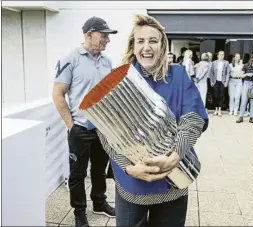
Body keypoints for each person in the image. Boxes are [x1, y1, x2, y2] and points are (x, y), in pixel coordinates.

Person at [96, 14, 209, 227]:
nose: (146, 47)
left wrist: (175, 154)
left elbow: (193, 119)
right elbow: (105, 132)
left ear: (162, 45)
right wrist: (129, 168)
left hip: (173, 181)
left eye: (153, 41)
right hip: (131, 184)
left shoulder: (178, 75)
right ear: (133, 46)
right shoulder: (118, 80)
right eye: (141, 41)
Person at [52, 16, 117, 226]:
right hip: (80, 128)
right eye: (104, 35)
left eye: (108, 36)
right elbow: (58, 94)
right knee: (77, 173)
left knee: (99, 169)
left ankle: (99, 202)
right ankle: (80, 212)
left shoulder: (107, 62)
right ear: (89, 35)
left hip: (102, 127)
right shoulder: (70, 59)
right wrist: (70, 124)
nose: (107, 40)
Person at [236, 53, 253, 124]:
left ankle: (251, 117)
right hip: (246, 83)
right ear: (252, 58)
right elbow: (240, 75)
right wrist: (247, 74)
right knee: (244, 100)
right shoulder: (246, 66)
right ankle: (241, 116)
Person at [210, 50, 229, 116]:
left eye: (223, 54)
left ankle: (220, 110)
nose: (221, 56)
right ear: (218, 55)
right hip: (215, 81)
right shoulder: (214, 63)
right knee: (215, 96)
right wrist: (211, 81)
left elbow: (227, 74)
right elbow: (211, 73)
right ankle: (216, 110)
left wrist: (226, 82)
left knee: (221, 96)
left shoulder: (226, 63)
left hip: (222, 82)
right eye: (220, 54)